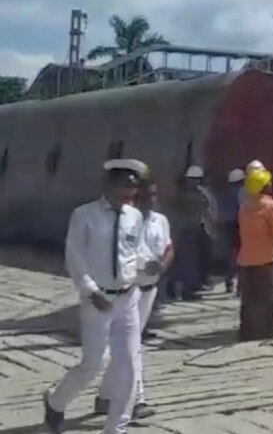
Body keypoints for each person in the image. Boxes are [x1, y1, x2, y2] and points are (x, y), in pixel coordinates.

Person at [43, 159, 150, 434]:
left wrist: (149, 265)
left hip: (128, 298)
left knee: (128, 363)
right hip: (98, 300)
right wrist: (91, 291)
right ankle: (56, 401)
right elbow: (74, 258)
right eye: (125, 185)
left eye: (134, 187)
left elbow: (134, 253)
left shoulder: (134, 217)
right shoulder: (84, 215)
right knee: (94, 362)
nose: (129, 192)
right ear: (108, 184)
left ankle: (116, 428)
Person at [95, 176, 173, 421]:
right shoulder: (126, 222)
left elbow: (169, 247)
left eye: (154, 195)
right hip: (129, 290)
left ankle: (105, 397)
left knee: (127, 345)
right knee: (132, 348)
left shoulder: (161, 221)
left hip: (151, 289)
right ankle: (136, 400)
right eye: (147, 195)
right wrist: (143, 264)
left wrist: (162, 264)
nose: (152, 200)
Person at [237, 167, 273, 341]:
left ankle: (246, 330)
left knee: (249, 297)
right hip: (266, 258)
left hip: (245, 259)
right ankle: (266, 329)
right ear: (263, 187)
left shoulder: (244, 207)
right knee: (267, 296)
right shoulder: (270, 205)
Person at [167, 173, 206, 300]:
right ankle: (186, 291)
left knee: (181, 263)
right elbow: (204, 204)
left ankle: (174, 289)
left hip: (182, 231)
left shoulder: (179, 196)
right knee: (188, 263)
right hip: (187, 231)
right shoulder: (191, 197)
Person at [186, 165, 217, 289]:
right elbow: (209, 210)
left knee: (200, 257)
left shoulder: (201, 193)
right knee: (197, 258)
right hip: (197, 228)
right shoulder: (201, 193)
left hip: (199, 228)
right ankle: (197, 283)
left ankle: (200, 282)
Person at [218, 168, 245, 294]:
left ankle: (229, 281)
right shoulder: (240, 192)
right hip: (237, 224)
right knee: (240, 255)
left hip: (227, 225)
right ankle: (239, 284)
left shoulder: (225, 193)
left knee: (232, 254)